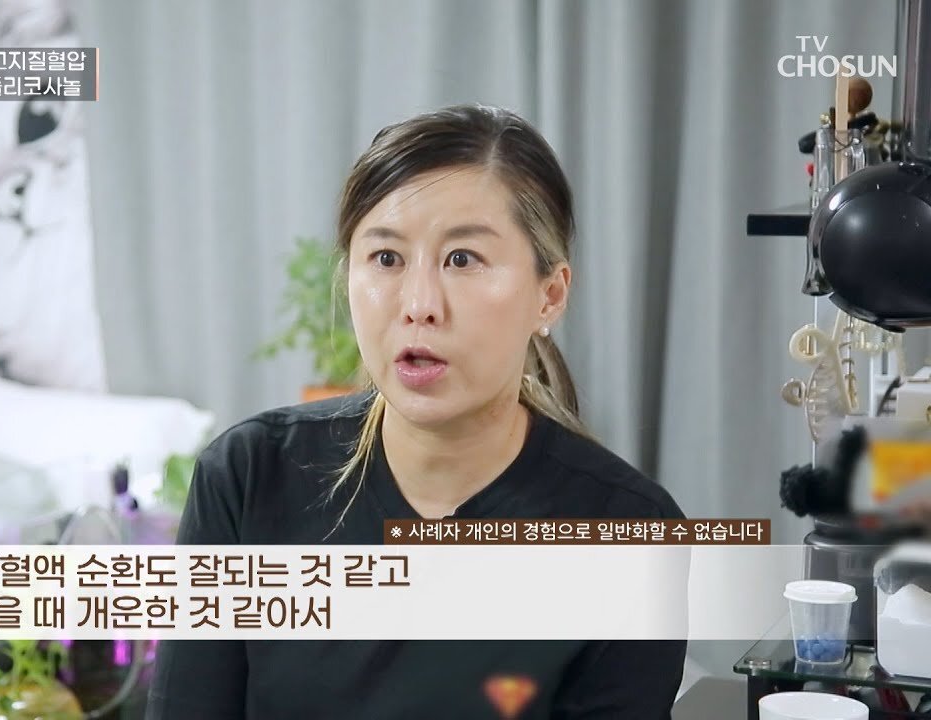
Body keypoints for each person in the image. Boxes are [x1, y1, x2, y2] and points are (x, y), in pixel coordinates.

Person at [146, 104, 687, 720]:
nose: (419, 304)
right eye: (386, 258)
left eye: (463, 259)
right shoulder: (248, 477)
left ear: (550, 294)